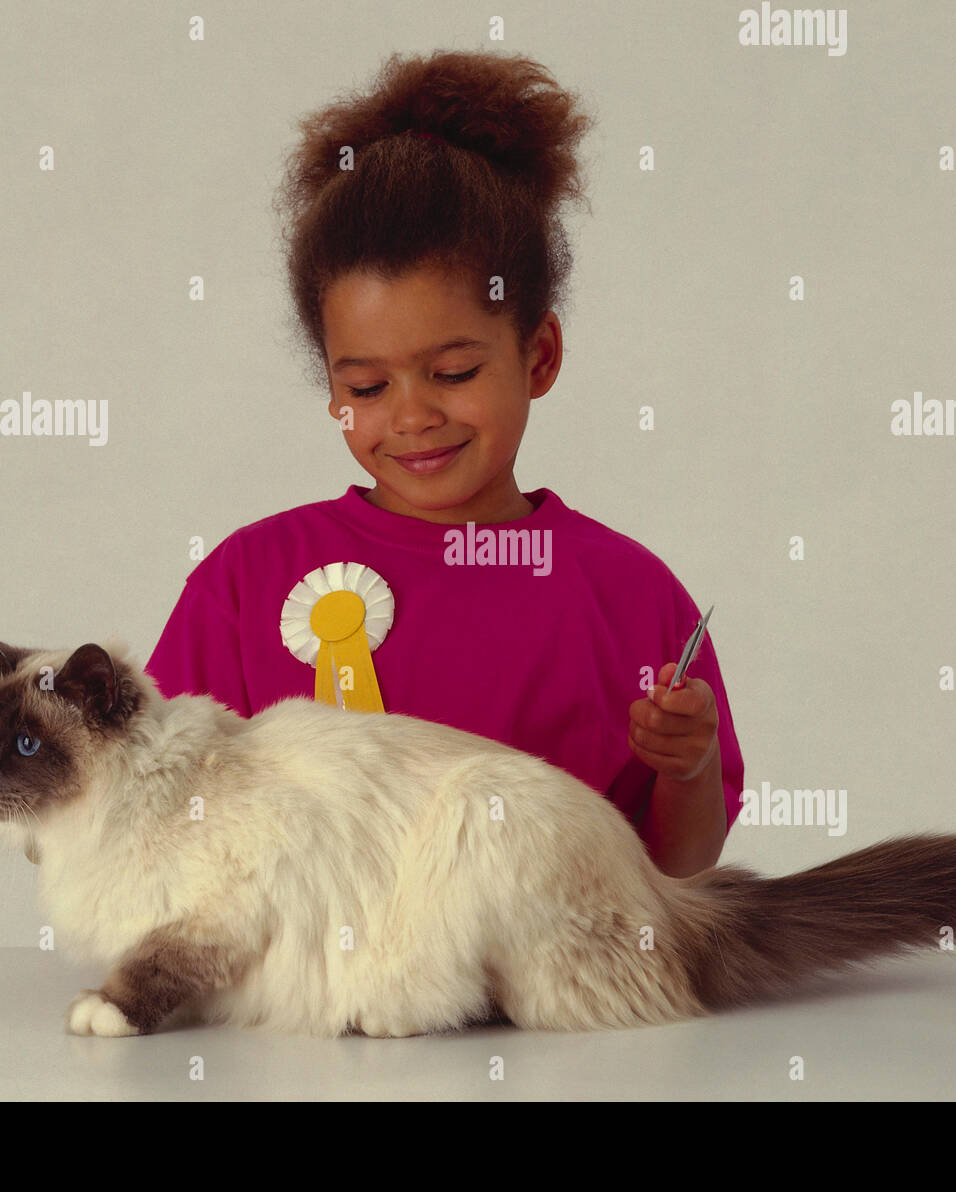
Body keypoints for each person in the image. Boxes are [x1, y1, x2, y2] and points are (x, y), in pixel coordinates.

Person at [146, 48, 743, 878]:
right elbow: (161, 818)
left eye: (454, 374)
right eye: (366, 383)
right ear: (331, 385)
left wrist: (689, 766)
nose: (414, 416)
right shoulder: (244, 584)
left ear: (539, 356)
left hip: (549, 995)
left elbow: (677, 877)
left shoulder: (634, 597)